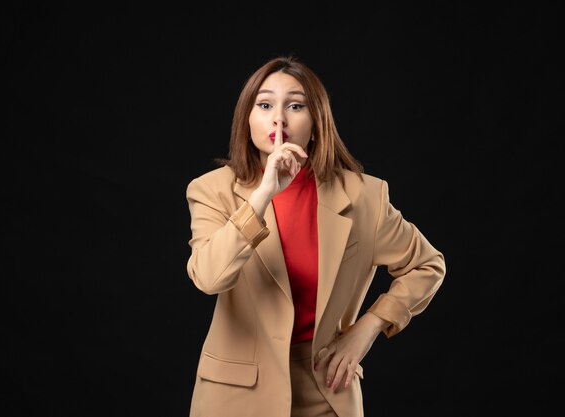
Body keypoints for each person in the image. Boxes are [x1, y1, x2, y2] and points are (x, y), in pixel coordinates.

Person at [184, 55, 446, 417]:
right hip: (236, 393)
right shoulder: (211, 191)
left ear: (317, 122)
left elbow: (427, 265)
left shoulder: (364, 196)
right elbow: (209, 276)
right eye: (264, 105)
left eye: (295, 105)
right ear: (247, 121)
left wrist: (366, 329)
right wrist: (262, 195)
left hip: (327, 386)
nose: (279, 118)